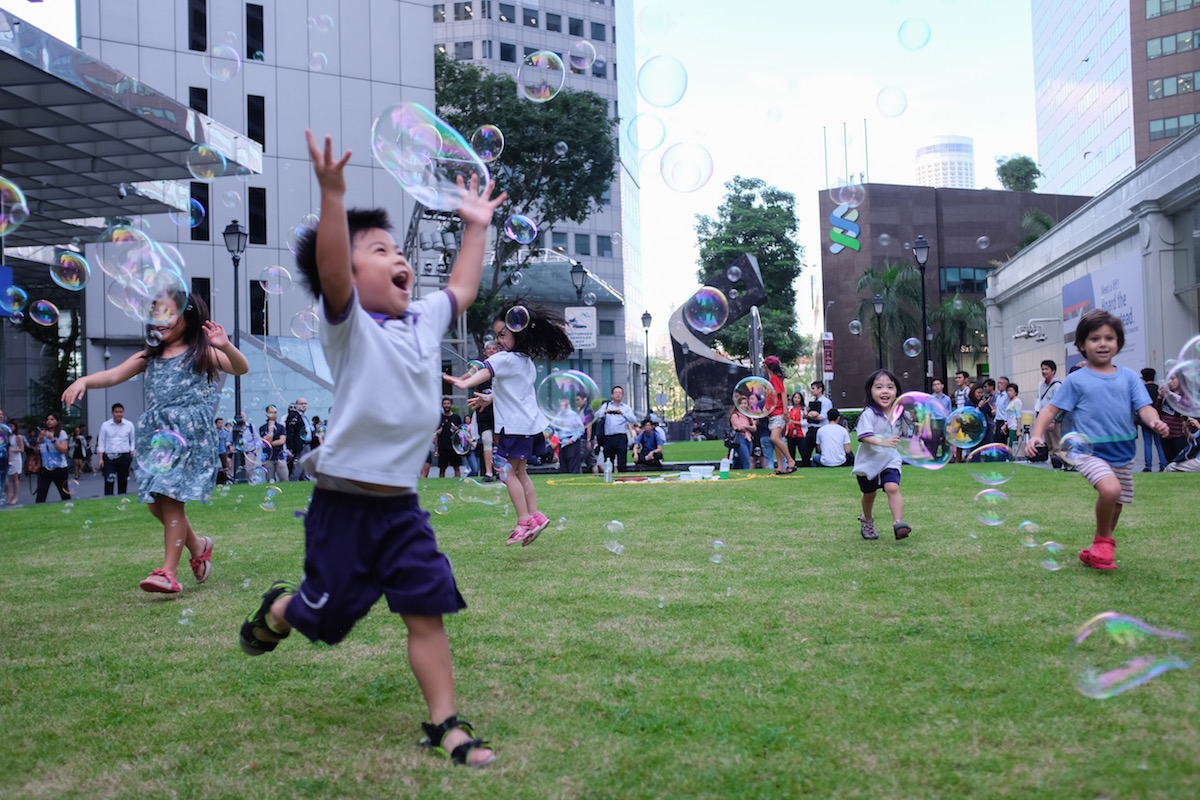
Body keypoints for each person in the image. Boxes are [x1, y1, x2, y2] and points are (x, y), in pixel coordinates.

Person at [237, 131, 504, 769]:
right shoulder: (349, 327)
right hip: (344, 509)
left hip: (402, 510)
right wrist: (333, 197)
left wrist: (476, 226)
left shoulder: (424, 320)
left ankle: (446, 725)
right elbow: (332, 270)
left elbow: (463, 288)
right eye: (379, 251)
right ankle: (282, 608)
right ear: (352, 277)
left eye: (398, 250)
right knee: (328, 622)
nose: (397, 257)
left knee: (426, 609)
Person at [63, 290, 247, 590]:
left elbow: (240, 368)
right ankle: (199, 547)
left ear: (188, 317)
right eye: (156, 314)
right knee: (155, 504)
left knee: (170, 501)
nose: (160, 320)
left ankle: (168, 573)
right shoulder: (148, 356)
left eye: (168, 314)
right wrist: (84, 380)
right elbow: (113, 375)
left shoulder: (200, 353)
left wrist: (225, 345)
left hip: (188, 436)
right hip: (158, 437)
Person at [1026, 309, 1168, 572]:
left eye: (1109, 338)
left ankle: (1097, 549)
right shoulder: (1076, 380)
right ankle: (1104, 542)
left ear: (1118, 343)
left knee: (1117, 505)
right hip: (1088, 451)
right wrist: (1036, 435)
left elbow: (1145, 407)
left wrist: (1155, 421)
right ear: (1081, 344)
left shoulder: (1129, 377)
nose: (1102, 344)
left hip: (1123, 452)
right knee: (1110, 491)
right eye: (1095, 338)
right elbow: (1049, 410)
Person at [445, 302, 574, 545]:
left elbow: (483, 373)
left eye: (502, 335)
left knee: (505, 472)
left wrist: (462, 383)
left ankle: (523, 521)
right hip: (528, 427)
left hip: (514, 427)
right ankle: (536, 515)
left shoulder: (503, 359)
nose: (498, 341)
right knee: (520, 472)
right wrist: (489, 398)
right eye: (496, 336)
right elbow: (517, 393)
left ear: (519, 332)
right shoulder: (525, 361)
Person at [852, 370, 910, 541]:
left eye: (890, 387)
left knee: (892, 487)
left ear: (897, 392)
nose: (885, 391)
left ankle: (898, 523)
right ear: (870, 391)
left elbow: (908, 435)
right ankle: (867, 519)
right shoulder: (868, 413)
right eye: (879, 387)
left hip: (890, 459)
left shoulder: (902, 414)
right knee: (869, 494)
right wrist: (883, 441)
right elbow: (863, 436)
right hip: (868, 462)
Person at [763, 356, 795, 474]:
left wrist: (785, 412)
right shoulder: (772, 380)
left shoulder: (775, 379)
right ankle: (780, 467)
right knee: (777, 442)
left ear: (766, 366)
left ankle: (790, 461)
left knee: (774, 438)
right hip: (773, 415)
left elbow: (783, 394)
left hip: (779, 414)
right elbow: (772, 399)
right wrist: (765, 409)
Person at [97, 402, 136, 496]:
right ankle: (108, 499)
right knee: (109, 481)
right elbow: (101, 442)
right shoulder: (105, 425)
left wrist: (132, 451)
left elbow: (133, 439)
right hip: (109, 456)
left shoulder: (129, 424)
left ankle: (122, 498)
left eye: (121, 412)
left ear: (123, 412)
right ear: (112, 413)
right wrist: (100, 458)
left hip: (124, 455)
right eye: (117, 412)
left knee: (123, 480)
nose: (119, 414)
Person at [596, 386, 638, 473]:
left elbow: (633, 420)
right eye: (616, 393)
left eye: (620, 393)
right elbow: (597, 415)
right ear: (612, 395)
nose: (618, 395)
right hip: (608, 437)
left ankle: (622, 476)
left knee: (622, 459)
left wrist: (622, 413)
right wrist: (605, 412)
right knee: (608, 459)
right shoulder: (606, 405)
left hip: (621, 437)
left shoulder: (626, 408)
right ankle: (609, 476)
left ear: (622, 395)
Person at [36, 412, 72, 503]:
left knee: (64, 493)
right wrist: (40, 440)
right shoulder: (43, 434)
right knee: (41, 494)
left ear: (57, 421)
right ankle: (38, 509)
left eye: (52, 419)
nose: (49, 421)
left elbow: (63, 450)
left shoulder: (61, 433)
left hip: (59, 467)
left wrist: (52, 439)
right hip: (45, 467)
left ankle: (68, 507)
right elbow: (36, 451)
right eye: (47, 419)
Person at [1033, 359, 1062, 465]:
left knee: (1056, 443)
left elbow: (1059, 404)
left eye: (1046, 369)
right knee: (1049, 444)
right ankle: (1053, 462)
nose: (1044, 371)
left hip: (1054, 419)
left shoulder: (1057, 385)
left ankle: (1059, 463)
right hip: (1044, 418)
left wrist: (1053, 420)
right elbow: (1040, 401)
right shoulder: (1041, 385)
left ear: (1053, 371)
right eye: (1042, 369)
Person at [1139, 368, 1167, 472]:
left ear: (1143, 377)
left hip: (1145, 421)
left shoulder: (1141, 389)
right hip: (1158, 418)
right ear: (1154, 376)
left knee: (1147, 443)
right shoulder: (1158, 388)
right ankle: (1163, 464)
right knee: (1159, 443)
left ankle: (1148, 466)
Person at [800, 380, 832, 468]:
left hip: (820, 428)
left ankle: (820, 466)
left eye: (813, 388)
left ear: (820, 389)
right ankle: (807, 466)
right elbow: (806, 416)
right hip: (811, 428)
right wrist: (808, 415)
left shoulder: (826, 402)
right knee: (805, 450)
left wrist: (810, 415)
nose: (812, 390)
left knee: (820, 450)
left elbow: (822, 417)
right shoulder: (812, 402)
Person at [1159, 374, 1191, 463]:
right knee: (1169, 461)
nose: (1170, 382)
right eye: (1169, 379)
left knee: (1179, 461)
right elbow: (1158, 410)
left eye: (1173, 379)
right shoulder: (1167, 394)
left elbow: (1180, 410)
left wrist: (1170, 394)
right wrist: (1160, 397)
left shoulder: (1186, 395)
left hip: (1179, 433)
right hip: (1166, 433)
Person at [434, 396, 463, 478]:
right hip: (442, 447)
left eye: (448, 403)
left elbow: (462, 433)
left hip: (454, 446)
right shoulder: (439, 418)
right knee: (442, 469)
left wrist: (456, 429)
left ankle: (458, 482)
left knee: (456, 467)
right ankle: (441, 484)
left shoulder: (456, 417)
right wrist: (436, 450)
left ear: (451, 405)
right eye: (444, 404)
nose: (446, 405)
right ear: (442, 405)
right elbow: (435, 435)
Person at [258, 405, 288, 483]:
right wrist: (270, 430)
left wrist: (270, 443)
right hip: (268, 457)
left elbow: (282, 441)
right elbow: (266, 441)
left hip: (279, 456)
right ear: (267, 414)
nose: (274, 415)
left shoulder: (281, 427)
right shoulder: (263, 428)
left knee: (284, 478)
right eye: (271, 413)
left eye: (275, 412)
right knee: (270, 479)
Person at [286, 397, 313, 480]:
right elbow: (290, 432)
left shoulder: (303, 417)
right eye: (301, 404)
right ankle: (293, 481)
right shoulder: (294, 416)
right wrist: (290, 447)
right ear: (296, 405)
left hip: (307, 445)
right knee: (299, 466)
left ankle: (304, 480)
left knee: (305, 467)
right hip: (300, 445)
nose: (304, 405)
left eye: (305, 404)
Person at [929, 378, 951, 459]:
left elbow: (949, 412)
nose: (936, 386)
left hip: (945, 421)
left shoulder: (947, 399)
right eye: (934, 385)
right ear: (932, 387)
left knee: (946, 442)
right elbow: (928, 413)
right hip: (934, 421)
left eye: (938, 384)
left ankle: (945, 458)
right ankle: (932, 459)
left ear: (942, 386)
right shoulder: (930, 399)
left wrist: (950, 424)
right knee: (934, 442)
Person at [5, 420, 26, 505]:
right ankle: (8, 494)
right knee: (4, 478)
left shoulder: (18, 437)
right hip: (7, 458)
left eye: (11, 426)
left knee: (15, 478)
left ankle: (15, 496)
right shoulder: (6, 436)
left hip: (15, 459)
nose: (10, 428)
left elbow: (22, 449)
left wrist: (12, 450)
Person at [785, 390, 807, 467]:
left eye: (798, 398)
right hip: (790, 434)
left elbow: (806, 423)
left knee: (803, 451)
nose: (796, 399)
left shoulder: (803, 410)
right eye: (795, 397)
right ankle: (792, 465)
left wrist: (794, 422)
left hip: (800, 434)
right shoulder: (789, 409)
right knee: (791, 452)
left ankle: (805, 465)